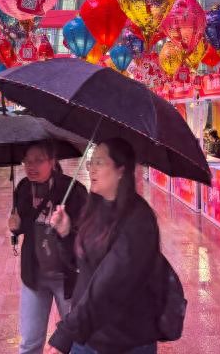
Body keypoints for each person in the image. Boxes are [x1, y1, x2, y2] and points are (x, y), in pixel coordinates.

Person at [45, 138, 162, 354]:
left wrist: (67, 332)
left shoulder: (139, 220)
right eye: (91, 162)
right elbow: (82, 265)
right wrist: (66, 234)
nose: (91, 169)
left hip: (125, 340)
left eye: (99, 162)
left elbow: (108, 283)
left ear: (120, 171)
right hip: (89, 335)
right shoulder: (96, 208)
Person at [9, 141, 88, 354]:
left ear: (52, 162)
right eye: (27, 161)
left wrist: (68, 229)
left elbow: (87, 235)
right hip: (34, 276)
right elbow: (24, 223)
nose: (31, 166)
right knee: (29, 342)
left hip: (67, 278)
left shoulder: (73, 190)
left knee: (74, 341)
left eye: (38, 160)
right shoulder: (23, 188)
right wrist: (16, 227)